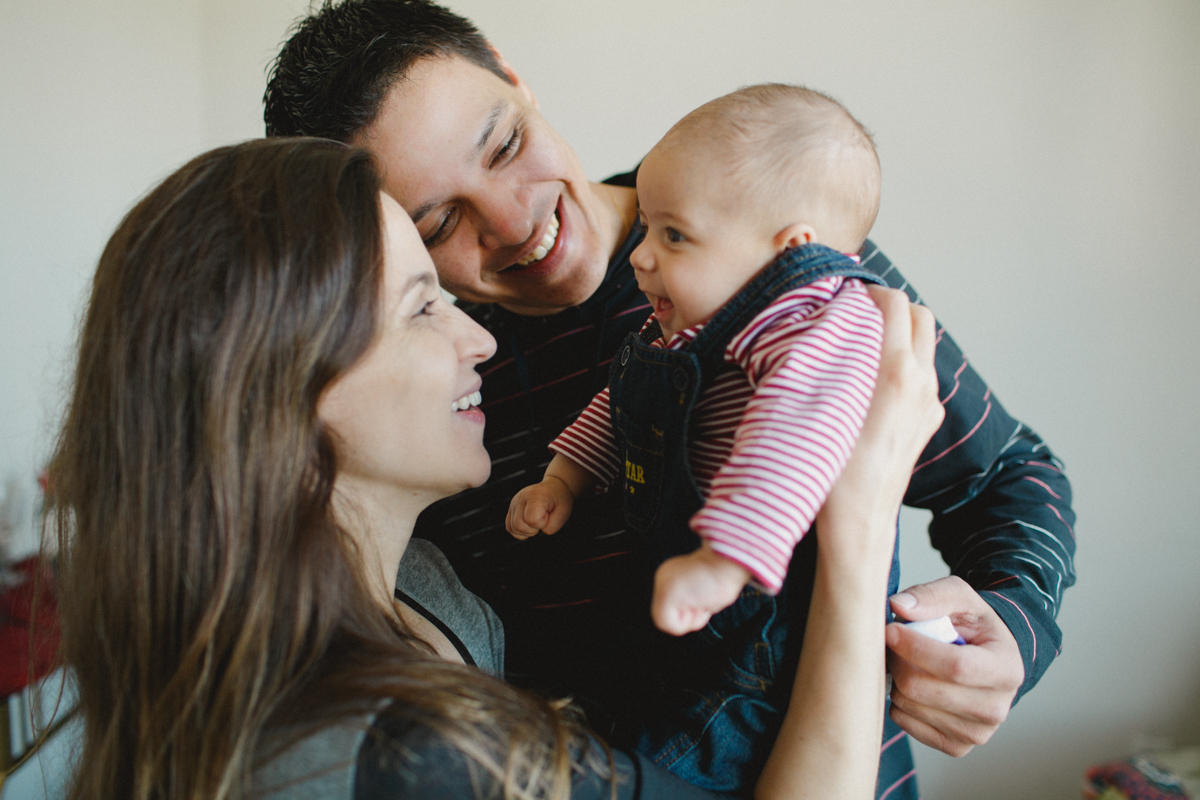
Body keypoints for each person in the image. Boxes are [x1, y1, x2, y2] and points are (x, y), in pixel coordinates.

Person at [263, 2, 1076, 797]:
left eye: (506, 144)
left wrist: (1014, 626)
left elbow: (1005, 475)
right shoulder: (418, 382)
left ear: (516, 79)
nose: (515, 221)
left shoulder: (775, 265)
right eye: (440, 222)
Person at [46, 136, 942, 800]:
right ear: (279, 390)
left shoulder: (423, 584)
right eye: (422, 307)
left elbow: (1012, 478)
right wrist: (860, 511)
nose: (477, 335)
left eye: (506, 140)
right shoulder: (413, 758)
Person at [505, 84, 889, 789]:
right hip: (689, 596)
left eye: (673, 234)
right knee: (631, 725)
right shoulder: (695, 326)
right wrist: (567, 475)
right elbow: (623, 402)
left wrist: (726, 559)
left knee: (683, 763)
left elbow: (793, 436)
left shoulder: (825, 322)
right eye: (647, 228)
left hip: (767, 618)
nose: (642, 257)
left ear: (789, 251)